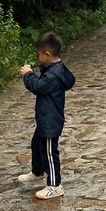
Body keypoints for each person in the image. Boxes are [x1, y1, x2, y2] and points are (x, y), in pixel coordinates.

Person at [18, 31, 76, 200]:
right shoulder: (54, 68)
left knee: (50, 152)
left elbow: (38, 87)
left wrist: (28, 74)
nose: (38, 58)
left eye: (39, 55)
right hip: (44, 118)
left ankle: (55, 185)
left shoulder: (53, 75)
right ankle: (37, 171)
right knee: (37, 144)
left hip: (51, 121)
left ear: (47, 54)